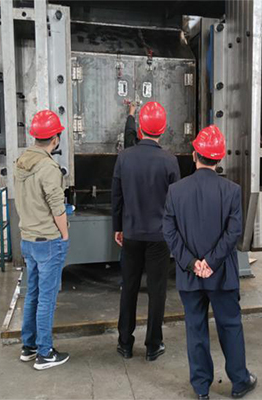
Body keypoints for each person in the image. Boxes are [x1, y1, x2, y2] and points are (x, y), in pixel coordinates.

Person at [163, 125, 257, 400]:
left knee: (196, 330)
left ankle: (201, 388)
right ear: (220, 158)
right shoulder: (231, 191)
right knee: (230, 327)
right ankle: (239, 381)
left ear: (194, 155)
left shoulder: (176, 191)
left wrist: (192, 263)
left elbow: (169, 231)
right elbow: (233, 233)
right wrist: (211, 263)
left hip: (190, 276)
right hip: (222, 275)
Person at [111, 101, 180, 361]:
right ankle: (153, 345)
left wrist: (118, 227)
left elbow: (117, 197)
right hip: (159, 237)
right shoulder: (170, 161)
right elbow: (174, 203)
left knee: (128, 288)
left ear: (140, 128)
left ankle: (125, 344)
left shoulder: (124, 157)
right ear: (163, 129)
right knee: (157, 290)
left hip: (131, 233)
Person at [14, 110, 70, 371]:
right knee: (47, 298)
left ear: (35, 136)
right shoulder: (48, 167)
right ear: (55, 139)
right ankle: (45, 353)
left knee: (33, 294)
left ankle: (29, 346)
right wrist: (65, 235)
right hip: (48, 240)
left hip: (28, 239)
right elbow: (57, 207)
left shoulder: (22, 161)